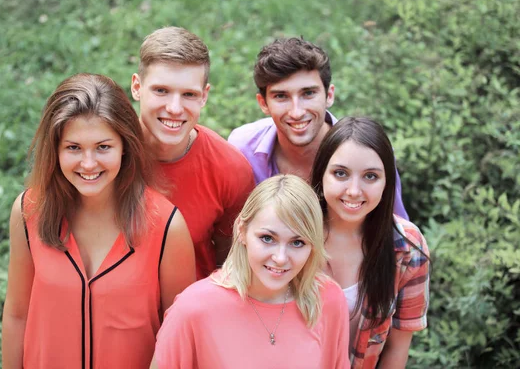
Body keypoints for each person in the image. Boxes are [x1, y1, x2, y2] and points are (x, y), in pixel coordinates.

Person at [1, 73, 196, 369]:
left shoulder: (168, 226)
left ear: (125, 147)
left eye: (103, 147)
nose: (88, 164)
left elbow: (180, 334)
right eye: (73, 147)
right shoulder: (28, 210)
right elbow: (17, 314)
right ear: (55, 150)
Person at [154, 175, 350, 369]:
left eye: (297, 243)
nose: (280, 257)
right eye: (267, 238)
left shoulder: (329, 300)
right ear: (242, 230)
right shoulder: (192, 309)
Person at [228, 37, 409, 219]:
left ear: (329, 95)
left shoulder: (371, 152)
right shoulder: (242, 148)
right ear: (263, 103)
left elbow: (394, 228)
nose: (297, 112)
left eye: (308, 93)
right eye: (281, 96)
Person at [130, 27, 255, 279]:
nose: (174, 108)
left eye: (188, 94)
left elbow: (231, 266)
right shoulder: (104, 154)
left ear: (204, 96)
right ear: (136, 87)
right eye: (161, 91)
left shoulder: (230, 169)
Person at [310, 117, 430, 369]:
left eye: (370, 176)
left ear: (387, 182)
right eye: (340, 173)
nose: (354, 190)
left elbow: (397, 348)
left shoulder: (408, 246)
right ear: (322, 173)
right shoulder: (294, 233)